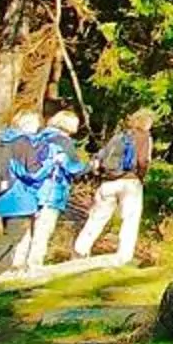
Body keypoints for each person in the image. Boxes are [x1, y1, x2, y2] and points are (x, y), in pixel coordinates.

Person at [0, 109, 46, 279]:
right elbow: (33, 171)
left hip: (2, 195)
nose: (38, 127)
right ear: (27, 124)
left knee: (12, 235)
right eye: (35, 123)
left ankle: (1, 271)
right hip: (19, 197)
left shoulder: (3, 142)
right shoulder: (24, 143)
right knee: (12, 236)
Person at [74, 109, 153, 263]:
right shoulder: (145, 138)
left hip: (108, 182)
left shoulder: (119, 136)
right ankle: (124, 255)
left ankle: (80, 249)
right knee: (130, 219)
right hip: (131, 182)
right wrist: (141, 177)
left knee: (97, 217)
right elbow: (144, 161)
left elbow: (102, 156)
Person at [27, 107, 89, 270]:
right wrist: (90, 166)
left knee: (27, 228)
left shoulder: (37, 137)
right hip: (52, 190)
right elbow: (74, 167)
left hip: (29, 188)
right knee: (43, 228)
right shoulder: (64, 142)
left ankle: (18, 263)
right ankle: (34, 263)